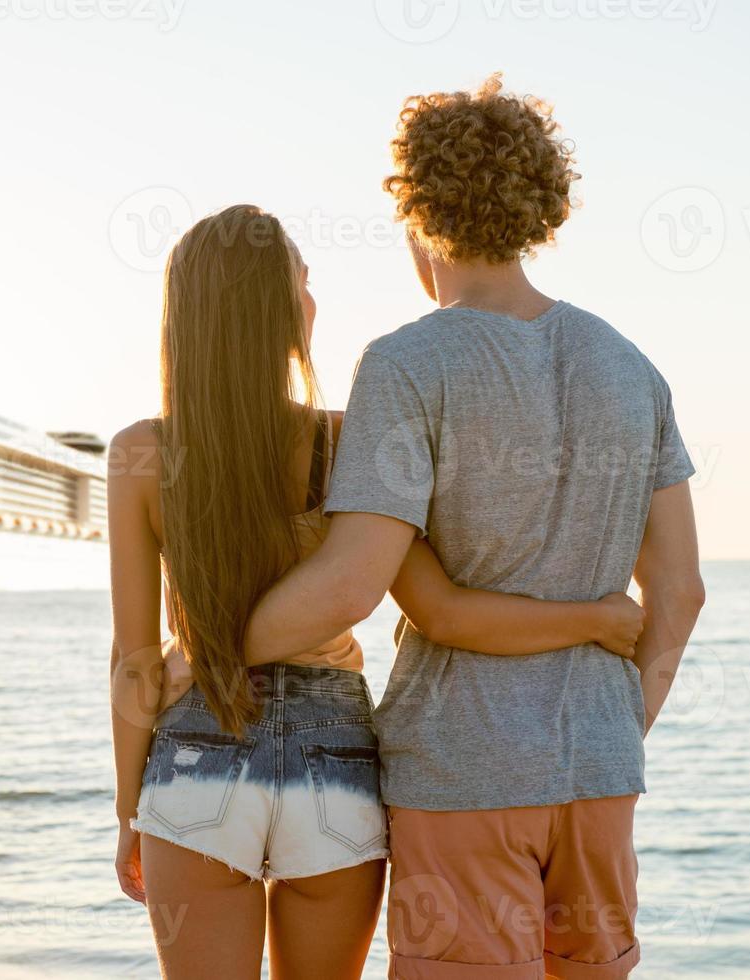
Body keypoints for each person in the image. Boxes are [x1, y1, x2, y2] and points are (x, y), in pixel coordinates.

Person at [228, 76, 707, 979]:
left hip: (462, 773)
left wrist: (211, 646)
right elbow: (679, 592)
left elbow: (351, 582)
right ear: (538, 206)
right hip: (600, 775)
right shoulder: (631, 368)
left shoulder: (407, 363)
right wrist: (614, 724)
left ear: (416, 209)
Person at [108, 203, 650, 979]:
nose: (311, 297)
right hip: (335, 765)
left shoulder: (140, 456)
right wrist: (596, 617)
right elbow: (436, 605)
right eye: (303, 281)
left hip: (196, 758)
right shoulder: (345, 437)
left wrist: (131, 811)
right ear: (286, 312)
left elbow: (133, 663)